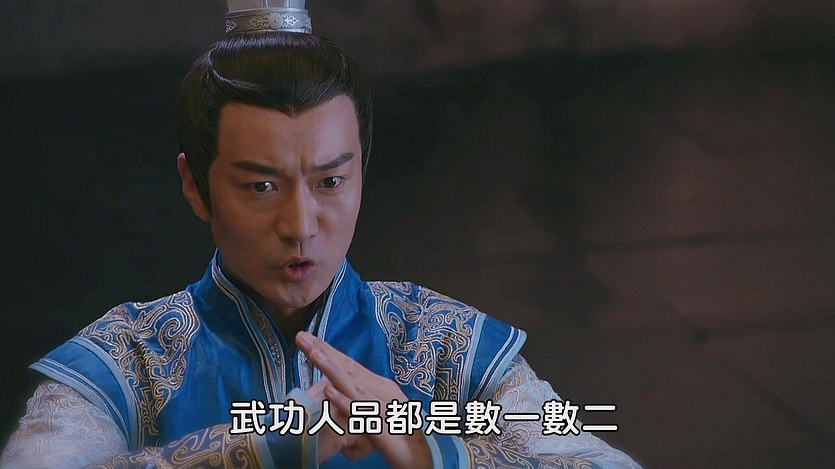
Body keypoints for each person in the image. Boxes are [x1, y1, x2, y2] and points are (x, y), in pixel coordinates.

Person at [1, 1, 642, 468]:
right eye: (262, 186)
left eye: (330, 181)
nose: (301, 226)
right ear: (194, 186)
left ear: (363, 172)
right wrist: (253, 452)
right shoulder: (132, 361)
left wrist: (431, 449)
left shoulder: (443, 344)